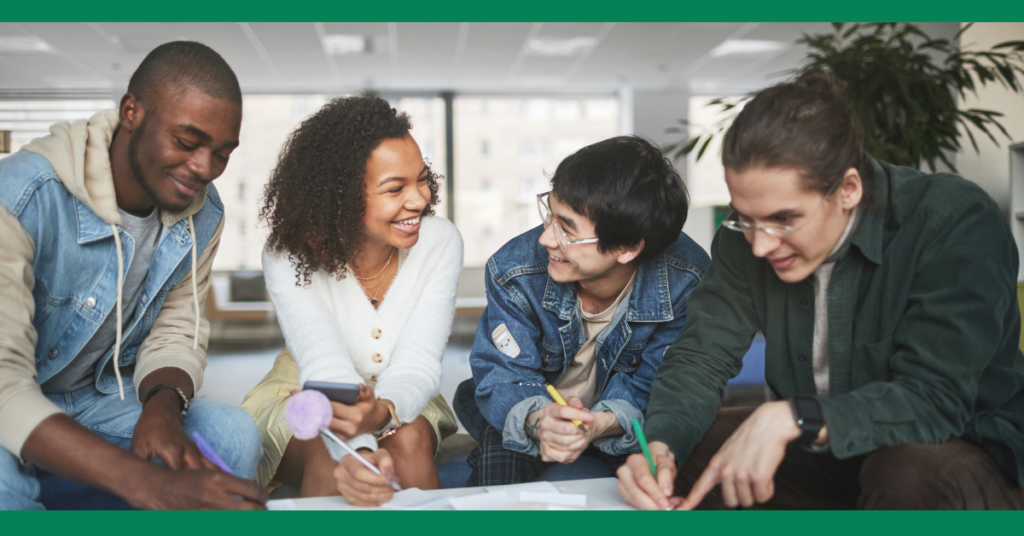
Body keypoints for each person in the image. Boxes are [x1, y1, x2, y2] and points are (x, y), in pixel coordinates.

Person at [617, 69, 1024, 510]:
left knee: (904, 471)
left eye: (784, 219)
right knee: (698, 445)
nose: (760, 243)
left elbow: (935, 401)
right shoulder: (744, 238)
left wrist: (794, 416)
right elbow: (701, 356)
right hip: (829, 454)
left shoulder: (954, 221)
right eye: (745, 217)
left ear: (848, 189)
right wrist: (661, 448)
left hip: (961, 450)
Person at [0, 41, 267, 510]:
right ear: (131, 112)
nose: (204, 168)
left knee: (230, 436)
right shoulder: (22, 197)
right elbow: (5, 386)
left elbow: (177, 331)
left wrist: (164, 407)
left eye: (222, 153)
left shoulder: (203, 213)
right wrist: (146, 482)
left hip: (93, 398)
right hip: (12, 397)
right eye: (186, 142)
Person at [241, 95, 462, 506]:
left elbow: (418, 361)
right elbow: (325, 363)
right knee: (332, 454)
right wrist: (359, 449)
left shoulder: (440, 242)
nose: (419, 200)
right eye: (395, 188)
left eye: (422, 178)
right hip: (307, 392)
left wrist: (385, 411)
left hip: (405, 391)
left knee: (409, 439)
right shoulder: (288, 254)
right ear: (339, 196)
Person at [453, 136, 710, 486]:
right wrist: (543, 420)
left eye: (568, 230)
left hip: (621, 415)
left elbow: (659, 387)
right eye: (550, 216)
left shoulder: (685, 278)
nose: (546, 239)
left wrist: (598, 424)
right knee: (499, 459)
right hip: (532, 400)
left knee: (652, 476)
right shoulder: (514, 269)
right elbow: (503, 374)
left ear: (627, 248)